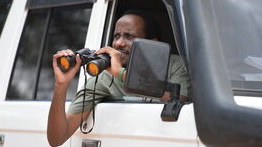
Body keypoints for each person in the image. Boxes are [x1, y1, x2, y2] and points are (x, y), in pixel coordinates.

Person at [47, 10, 191, 146]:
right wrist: (61, 85)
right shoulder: (105, 75)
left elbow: (178, 102)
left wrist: (121, 74)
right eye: (116, 36)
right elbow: (57, 138)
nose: (119, 43)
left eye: (129, 36)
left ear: (152, 43)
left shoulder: (175, 65)